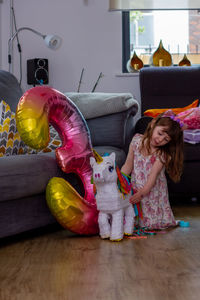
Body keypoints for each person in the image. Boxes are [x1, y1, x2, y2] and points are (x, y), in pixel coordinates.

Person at [121, 110, 184, 229]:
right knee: (133, 214)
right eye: (160, 134)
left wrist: (141, 193)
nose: (160, 140)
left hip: (152, 190)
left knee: (149, 223)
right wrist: (120, 181)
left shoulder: (162, 154)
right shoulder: (136, 141)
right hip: (136, 186)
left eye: (166, 139)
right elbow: (128, 165)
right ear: (153, 124)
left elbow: (152, 178)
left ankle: (156, 218)